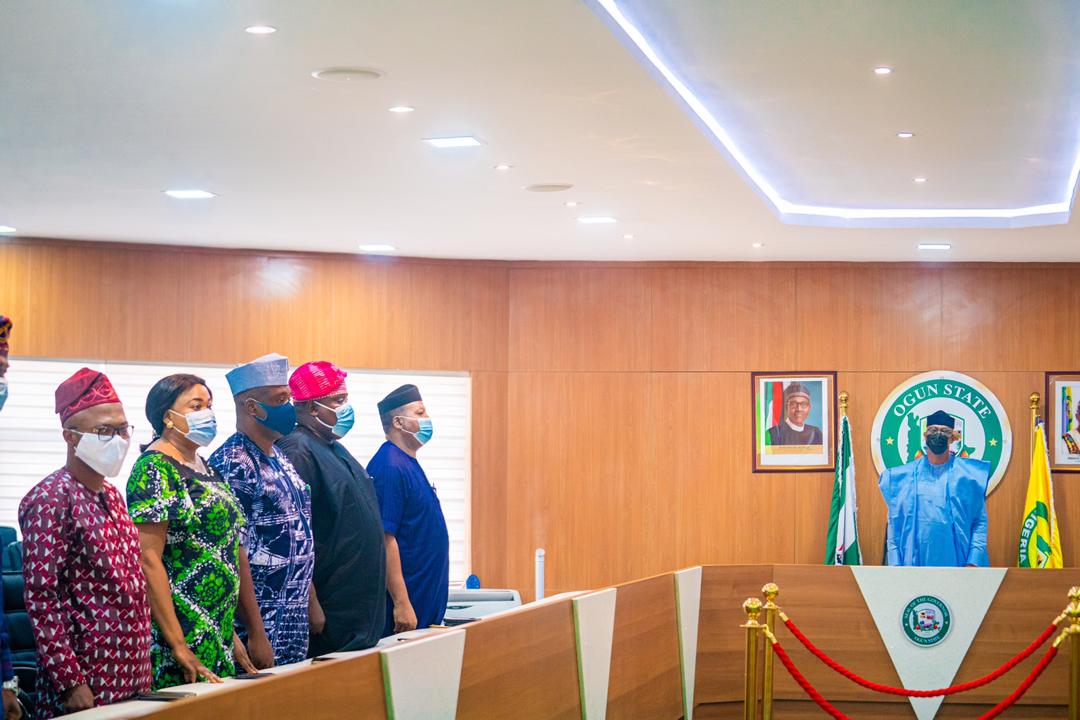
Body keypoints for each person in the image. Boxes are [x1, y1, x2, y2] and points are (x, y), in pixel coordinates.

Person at [19, 369, 151, 717]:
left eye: (122, 429)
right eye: (104, 431)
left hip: (133, 673)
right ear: (70, 436)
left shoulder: (112, 495)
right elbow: (41, 597)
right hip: (86, 680)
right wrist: (70, 681)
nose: (118, 439)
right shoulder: (50, 499)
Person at [127, 374, 269, 689]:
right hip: (180, 630)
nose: (207, 413)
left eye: (209, 405)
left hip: (217, 627)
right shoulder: (154, 468)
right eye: (196, 406)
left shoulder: (206, 467)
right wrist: (178, 644)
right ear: (168, 416)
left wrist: (230, 634)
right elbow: (148, 560)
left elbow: (225, 549)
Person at [210, 354, 315, 665]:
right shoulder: (234, 463)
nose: (289, 407)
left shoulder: (279, 456)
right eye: (280, 400)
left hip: (293, 617)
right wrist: (256, 633)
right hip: (260, 623)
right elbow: (235, 551)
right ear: (252, 407)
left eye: (289, 398)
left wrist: (311, 602)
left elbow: (299, 534)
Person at [277, 362, 387, 654]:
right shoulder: (297, 450)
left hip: (357, 613)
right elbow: (294, 535)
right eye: (338, 400)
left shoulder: (332, 446)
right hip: (331, 610)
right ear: (313, 408)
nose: (346, 408)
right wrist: (310, 602)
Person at [367, 384, 449, 636]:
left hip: (424, 601)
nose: (427, 419)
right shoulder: (389, 466)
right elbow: (385, 537)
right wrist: (402, 603)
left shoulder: (407, 462)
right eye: (420, 413)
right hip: (407, 609)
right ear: (398, 422)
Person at [878, 409, 990, 567]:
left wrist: (974, 561)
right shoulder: (902, 477)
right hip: (913, 564)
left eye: (944, 431)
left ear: (953, 437)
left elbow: (979, 522)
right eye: (933, 430)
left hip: (959, 564)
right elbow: (894, 524)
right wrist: (895, 563)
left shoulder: (969, 476)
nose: (938, 434)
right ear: (925, 436)